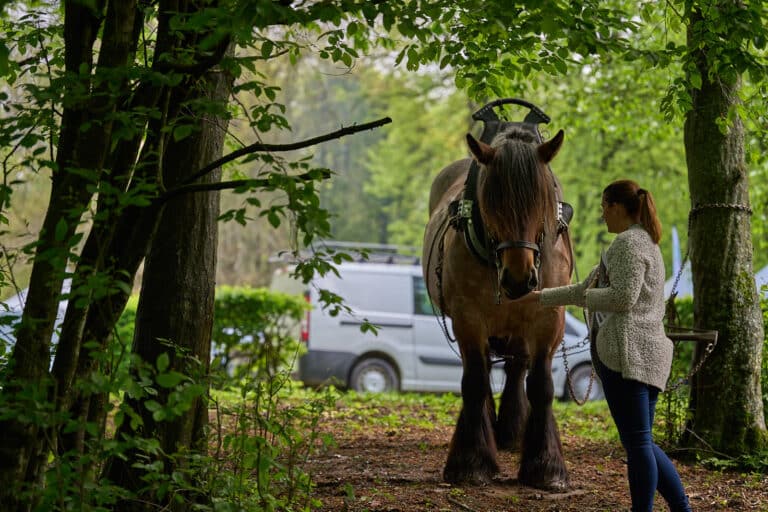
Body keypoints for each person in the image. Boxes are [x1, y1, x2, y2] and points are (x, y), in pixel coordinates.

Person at [514, 179, 692, 512]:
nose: (601, 216)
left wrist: (588, 302)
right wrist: (539, 298)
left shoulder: (628, 244)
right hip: (643, 355)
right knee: (642, 441)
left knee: (638, 442)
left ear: (615, 207)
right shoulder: (643, 243)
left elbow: (622, 298)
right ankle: (681, 507)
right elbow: (584, 288)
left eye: (602, 208)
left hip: (628, 356)